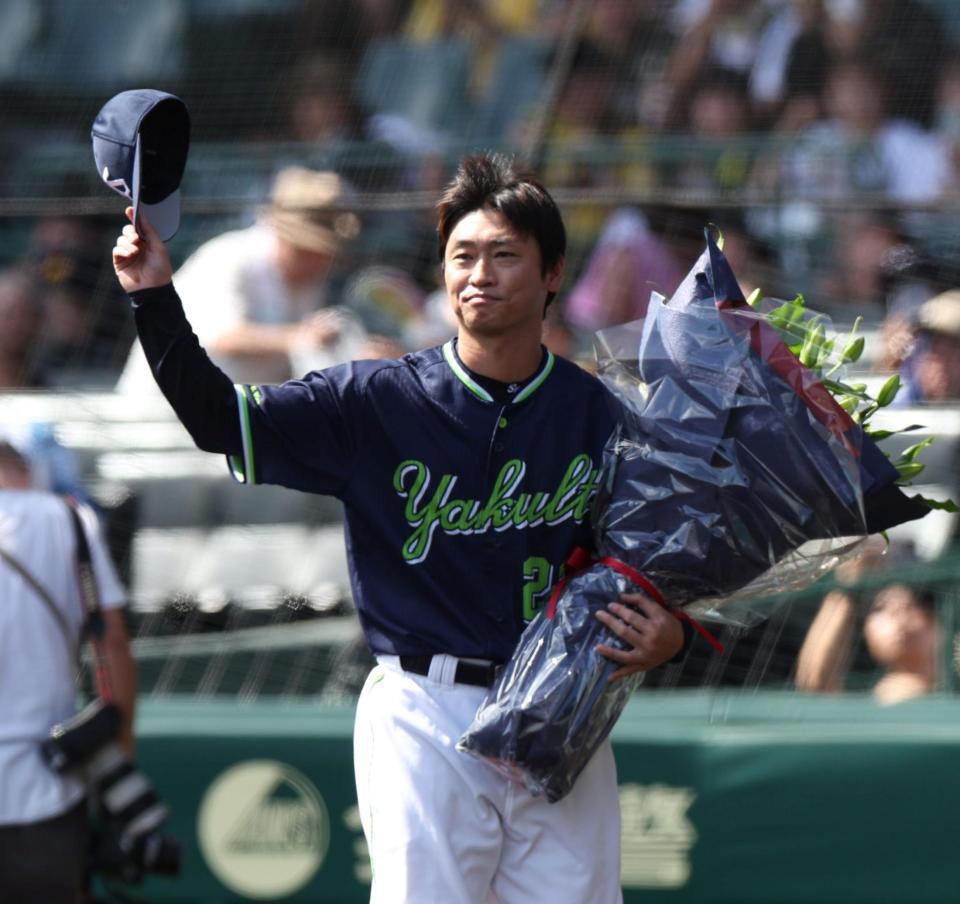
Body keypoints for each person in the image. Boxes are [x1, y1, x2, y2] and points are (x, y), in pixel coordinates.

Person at [111, 152, 688, 902]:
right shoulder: (376, 401)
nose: (478, 273)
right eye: (462, 256)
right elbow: (219, 419)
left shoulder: (601, 416)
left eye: (504, 255)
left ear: (553, 275)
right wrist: (153, 295)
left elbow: (667, 560)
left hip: (562, 710)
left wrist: (670, 634)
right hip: (425, 707)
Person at [0, 442, 137, 902]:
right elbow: (112, 644)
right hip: (47, 791)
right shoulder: (69, 520)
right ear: (24, 469)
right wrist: (121, 758)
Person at [117, 165, 371, 391]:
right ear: (284, 235)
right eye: (310, 249)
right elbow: (224, 338)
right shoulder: (230, 257)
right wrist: (303, 337)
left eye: (325, 253)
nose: (320, 261)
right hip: (156, 418)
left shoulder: (311, 281)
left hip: (230, 423)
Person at [795, 553, 940, 705]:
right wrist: (847, 590)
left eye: (913, 605)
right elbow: (815, 683)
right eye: (879, 608)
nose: (897, 614)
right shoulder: (873, 702)